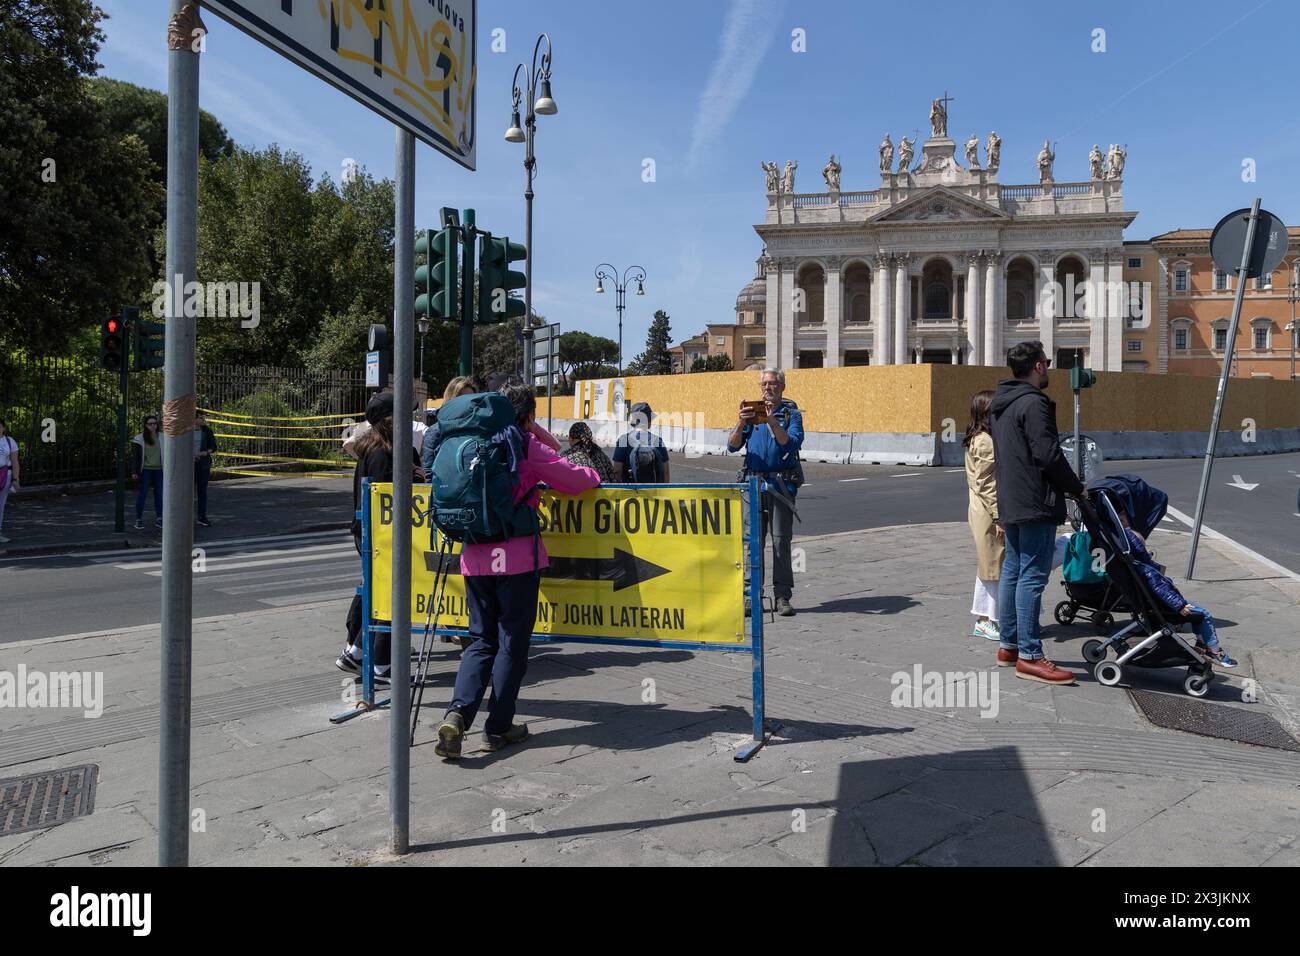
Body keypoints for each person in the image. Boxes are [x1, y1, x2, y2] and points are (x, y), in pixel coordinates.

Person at [435, 384, 601, 759]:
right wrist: (531, 431)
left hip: (474, 554)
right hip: (517, 558)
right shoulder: (518, 444)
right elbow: (573, 475)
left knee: (480, 640)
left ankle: (457, 715)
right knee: (511, 642)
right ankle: (497, 728)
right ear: (524, 415)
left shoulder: (468, 442)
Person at [990, 341, 1085, 684]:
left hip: (1012, 501)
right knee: (1031, 576)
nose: (1047, 367)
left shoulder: (999, 405)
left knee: (1013, 572)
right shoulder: (1034, 403)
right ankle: (1030, 655)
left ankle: (1008, 646)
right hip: (1036, 500)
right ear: (1038, 366)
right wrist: (1076, 488)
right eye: (1045, 361)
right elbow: (1048, 455)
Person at [336, 392, 422, 683]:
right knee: (389, 595)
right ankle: (379, 663)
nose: (411, 419)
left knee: (374, 589)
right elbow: (391, 497)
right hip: (384, 535)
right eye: (405, 414)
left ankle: (356, 650)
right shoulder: (388, 452)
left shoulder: (371, 447)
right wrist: (418, 478)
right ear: (390, 420)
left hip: (369, 533)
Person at [726, 368, 804, 616]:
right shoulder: (752, 414)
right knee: (752, 542)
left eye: (771, 384)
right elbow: (732, 445)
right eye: (763, 385)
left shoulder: (791, 414)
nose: (767, 388)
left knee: (781, 542)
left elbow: (790, 443)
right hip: (753, 485)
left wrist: (771, 420)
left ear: (782, 386)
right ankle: (751, 596)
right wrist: (741, 421)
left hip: (780, 486)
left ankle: (782, 596)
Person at [1118, 512, 1237, 667]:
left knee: (1200, 612)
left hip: (1160, 604)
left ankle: (1201, 645)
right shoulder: (1146, 570)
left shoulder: (1139, 567)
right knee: (1204, 614)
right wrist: (1179, 606)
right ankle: (1214, 651)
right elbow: (1160, 589)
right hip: (1167, 606)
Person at [963, 390, 1003, 641]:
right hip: (989, 511)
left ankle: (988, 618)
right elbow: (986, 482)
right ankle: (986, 620)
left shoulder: (975, 437)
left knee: (990, 565)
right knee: (993, 566)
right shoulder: (986, 441)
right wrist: (999, 516)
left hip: (980, 509)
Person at [612, 402, 670, 483]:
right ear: (648, 422)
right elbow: (666, 472)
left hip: (630, 493)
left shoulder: (623, 440)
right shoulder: (658, 441)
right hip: (654, 492)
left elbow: (617, 471)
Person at [130, 414, 163, 531]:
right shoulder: (139, 438)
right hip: (146, 470)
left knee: (159, 494)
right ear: (145, 425)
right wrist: (134, 471)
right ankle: (138, 519)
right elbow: (136, 457)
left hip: (159, 470)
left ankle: (160, 518)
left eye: (155, 423)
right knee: (142, 494)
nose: (153, 426)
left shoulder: (163, 437)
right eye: (150, 424)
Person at [193, 410, 216, 527]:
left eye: (203, 418)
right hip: (188, 465)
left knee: (202, 491)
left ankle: (202, 516)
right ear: (194, 419)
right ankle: (184, 516)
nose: (203, 420)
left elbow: (213, 446)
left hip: (203, 464)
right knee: (186, 492)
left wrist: (206, 452)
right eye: (201, 418)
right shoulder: (186, 431)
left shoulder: (207, 431)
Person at [0, 417, 19, 544]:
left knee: (1, 505)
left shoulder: (9, 441)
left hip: (4, 474)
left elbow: (15, 462)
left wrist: (15, 479)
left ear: (3, 428)